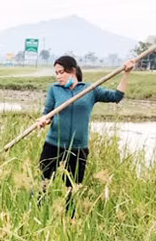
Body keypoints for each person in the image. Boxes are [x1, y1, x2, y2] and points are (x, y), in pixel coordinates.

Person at [35, 55, 134, 209]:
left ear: (72, 71)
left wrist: (126, 73)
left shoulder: (90, 90)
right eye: (56, 73)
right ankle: (38, 212)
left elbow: (116, 96)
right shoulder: (54, 90)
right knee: (43, 183)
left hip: (78, 148)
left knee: (72, 189)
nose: (58, 76)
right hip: (53, 144)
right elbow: (48, 112)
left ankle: (69, 221)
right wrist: (43, 120)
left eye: (61, 72)